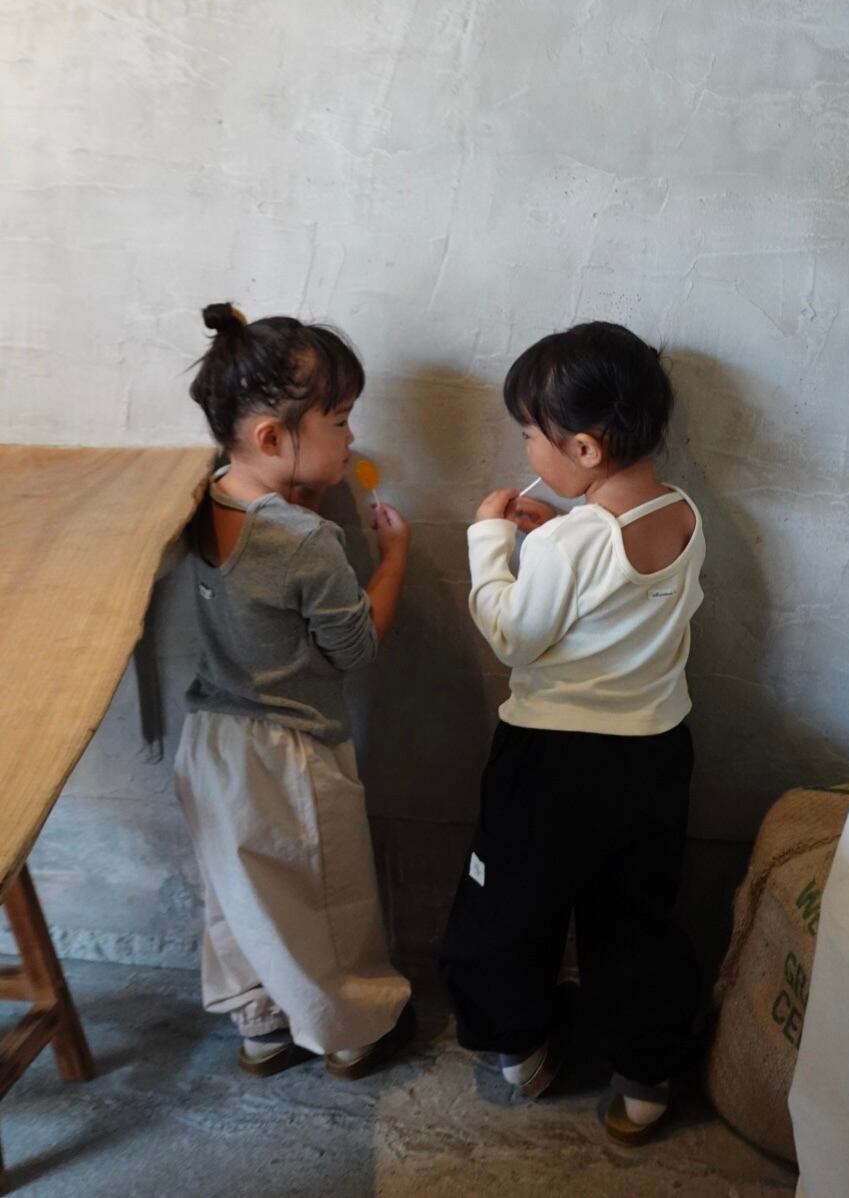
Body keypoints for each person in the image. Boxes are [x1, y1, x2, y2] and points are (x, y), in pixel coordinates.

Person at [440, 320, 705, 1144]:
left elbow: (513, 634)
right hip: (655, 752)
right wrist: (555, 522)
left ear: (585, 448)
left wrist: (490, 541)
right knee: (635, 914)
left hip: (554, 761)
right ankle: (646, 1077)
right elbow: (610, 581)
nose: (525, 450)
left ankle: (520, 1048)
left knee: (509, 907)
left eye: (530, 434)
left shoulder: (569, 542)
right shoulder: (683, 514)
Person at [177, 302, 413, 1078]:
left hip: (209, 742)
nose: (352, 438)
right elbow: (355, 647)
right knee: (322, 899)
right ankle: (353, 1032)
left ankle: (260, 1026)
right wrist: (394, 560)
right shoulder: (309, 541)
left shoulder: (200, 496)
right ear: (273, 439)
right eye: (340, 422)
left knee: (238, 895)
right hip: (290, 753)